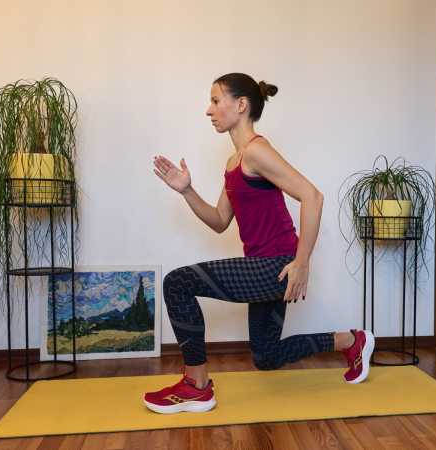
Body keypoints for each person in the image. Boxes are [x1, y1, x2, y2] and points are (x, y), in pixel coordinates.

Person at [144, 73, 374, 414]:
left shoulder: (256, 152)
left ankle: (197, 385)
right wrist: (187, 190)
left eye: (215, 100)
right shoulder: (234, 162)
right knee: (266, 356)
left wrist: (301, 263)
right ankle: (352, 341)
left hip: (277, 266)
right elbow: (219, 221)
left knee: (177, 283)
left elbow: (312, 196)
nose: (209, 110)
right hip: (265, 266)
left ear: (241, 105)